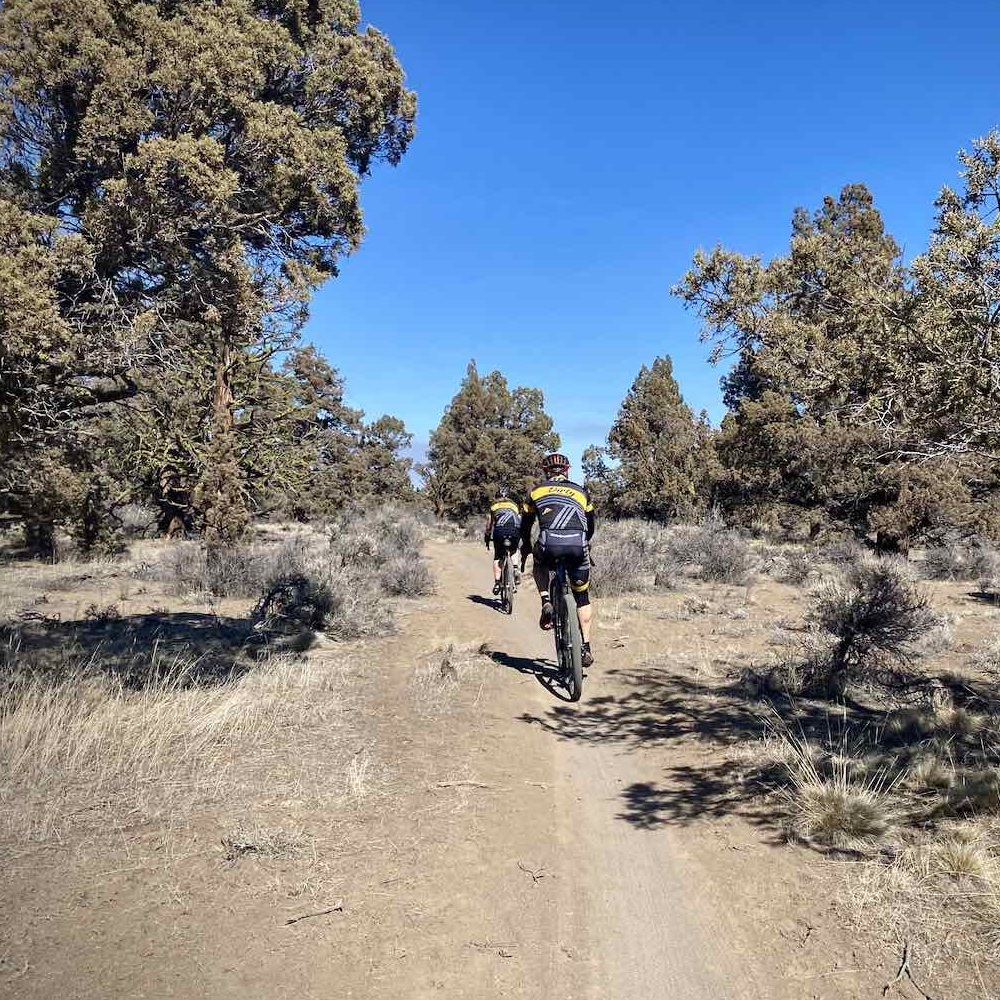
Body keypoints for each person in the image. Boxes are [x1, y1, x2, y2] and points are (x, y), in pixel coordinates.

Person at [519, 452, 595, 669]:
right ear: (567, 470)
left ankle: (546, 601)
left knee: (540, 563)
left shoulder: (536, 491)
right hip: (577, 545)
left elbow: (526, 525)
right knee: (582, 597)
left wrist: (526, 547)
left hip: (548, 544)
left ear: (545, 471)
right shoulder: (581, 492)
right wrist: (585, 543)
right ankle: (586, 647)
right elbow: (591, 525)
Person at [484, 488, 522, 595]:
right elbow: (519, 518)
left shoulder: (493, 506)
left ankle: (497, 583)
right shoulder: (514, 506)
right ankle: (515, 568)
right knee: (514, 549)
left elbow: (489, 525)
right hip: (515, 529)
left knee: (498, 556)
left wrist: (487, 537)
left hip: (500, 531)